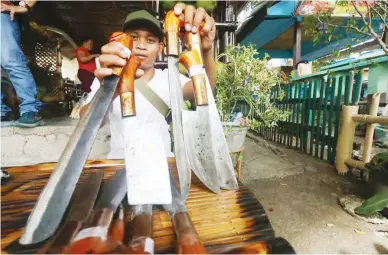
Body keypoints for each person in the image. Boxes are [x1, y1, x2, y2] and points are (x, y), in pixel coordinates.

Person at [81, 3, 216, 159]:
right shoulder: (108, 78)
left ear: (160, 48)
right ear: (121, 42)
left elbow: (205, 89)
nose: (141, 46)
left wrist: (206, 51)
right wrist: (109, 91)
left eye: (150, 40)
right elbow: (86, 125)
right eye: (133, 38)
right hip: (121, 168)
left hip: (163, 168)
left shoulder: (169, 78)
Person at [1, 0, 44, 127]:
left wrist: (25, 5)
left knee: (11, 60)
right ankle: (1, 112)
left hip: (2, 13)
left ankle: (30, 110)